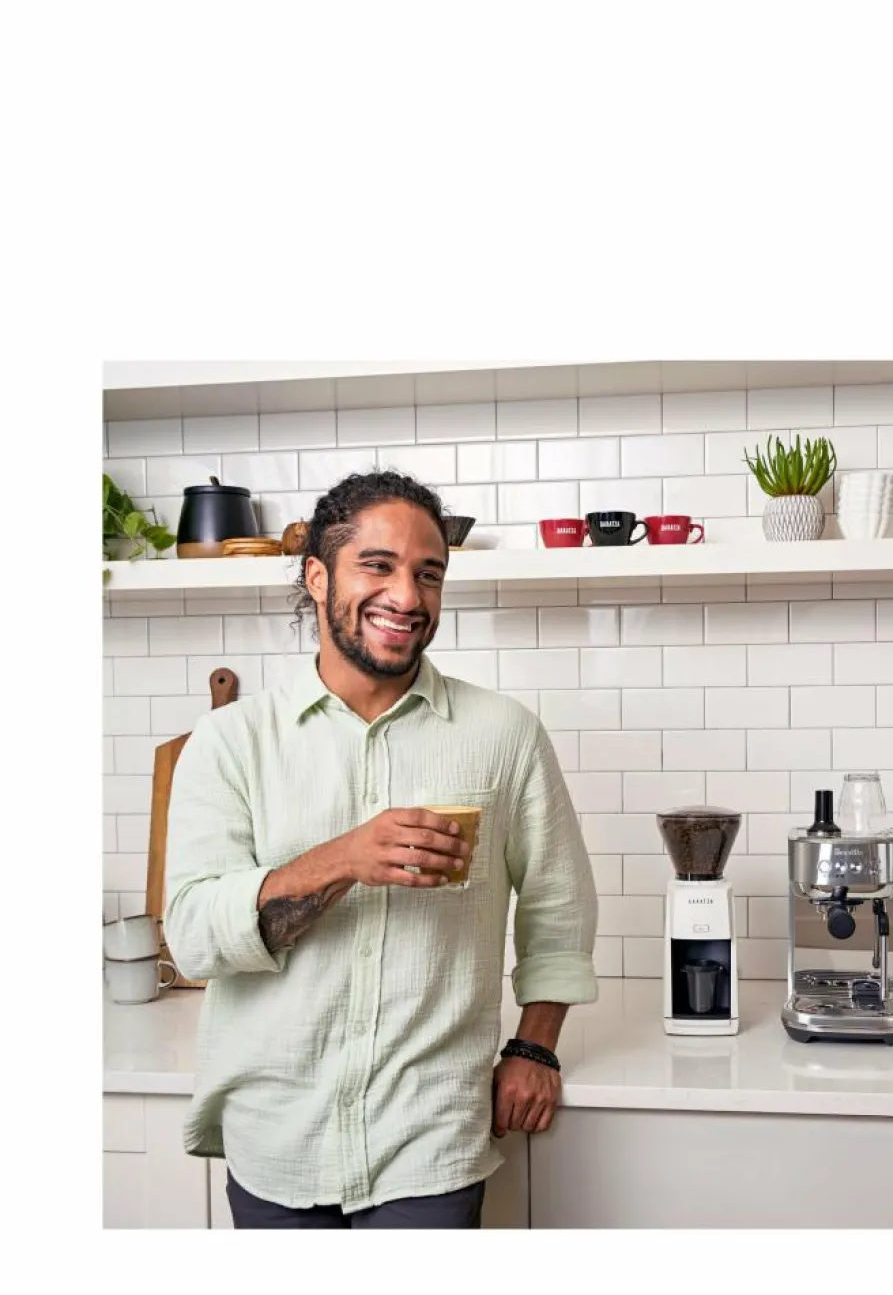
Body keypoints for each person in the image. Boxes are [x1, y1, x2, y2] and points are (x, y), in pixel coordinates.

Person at [164, 469, 598, 1228]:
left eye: (428, 573)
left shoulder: (505, 736)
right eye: (378, 566)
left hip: (429, 1140)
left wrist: (534, 1048)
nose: (407, 596)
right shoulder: (231, 742)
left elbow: (558, 911)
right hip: (276, 1139)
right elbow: (196, 936)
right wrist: (345, 859)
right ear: (317, 576)